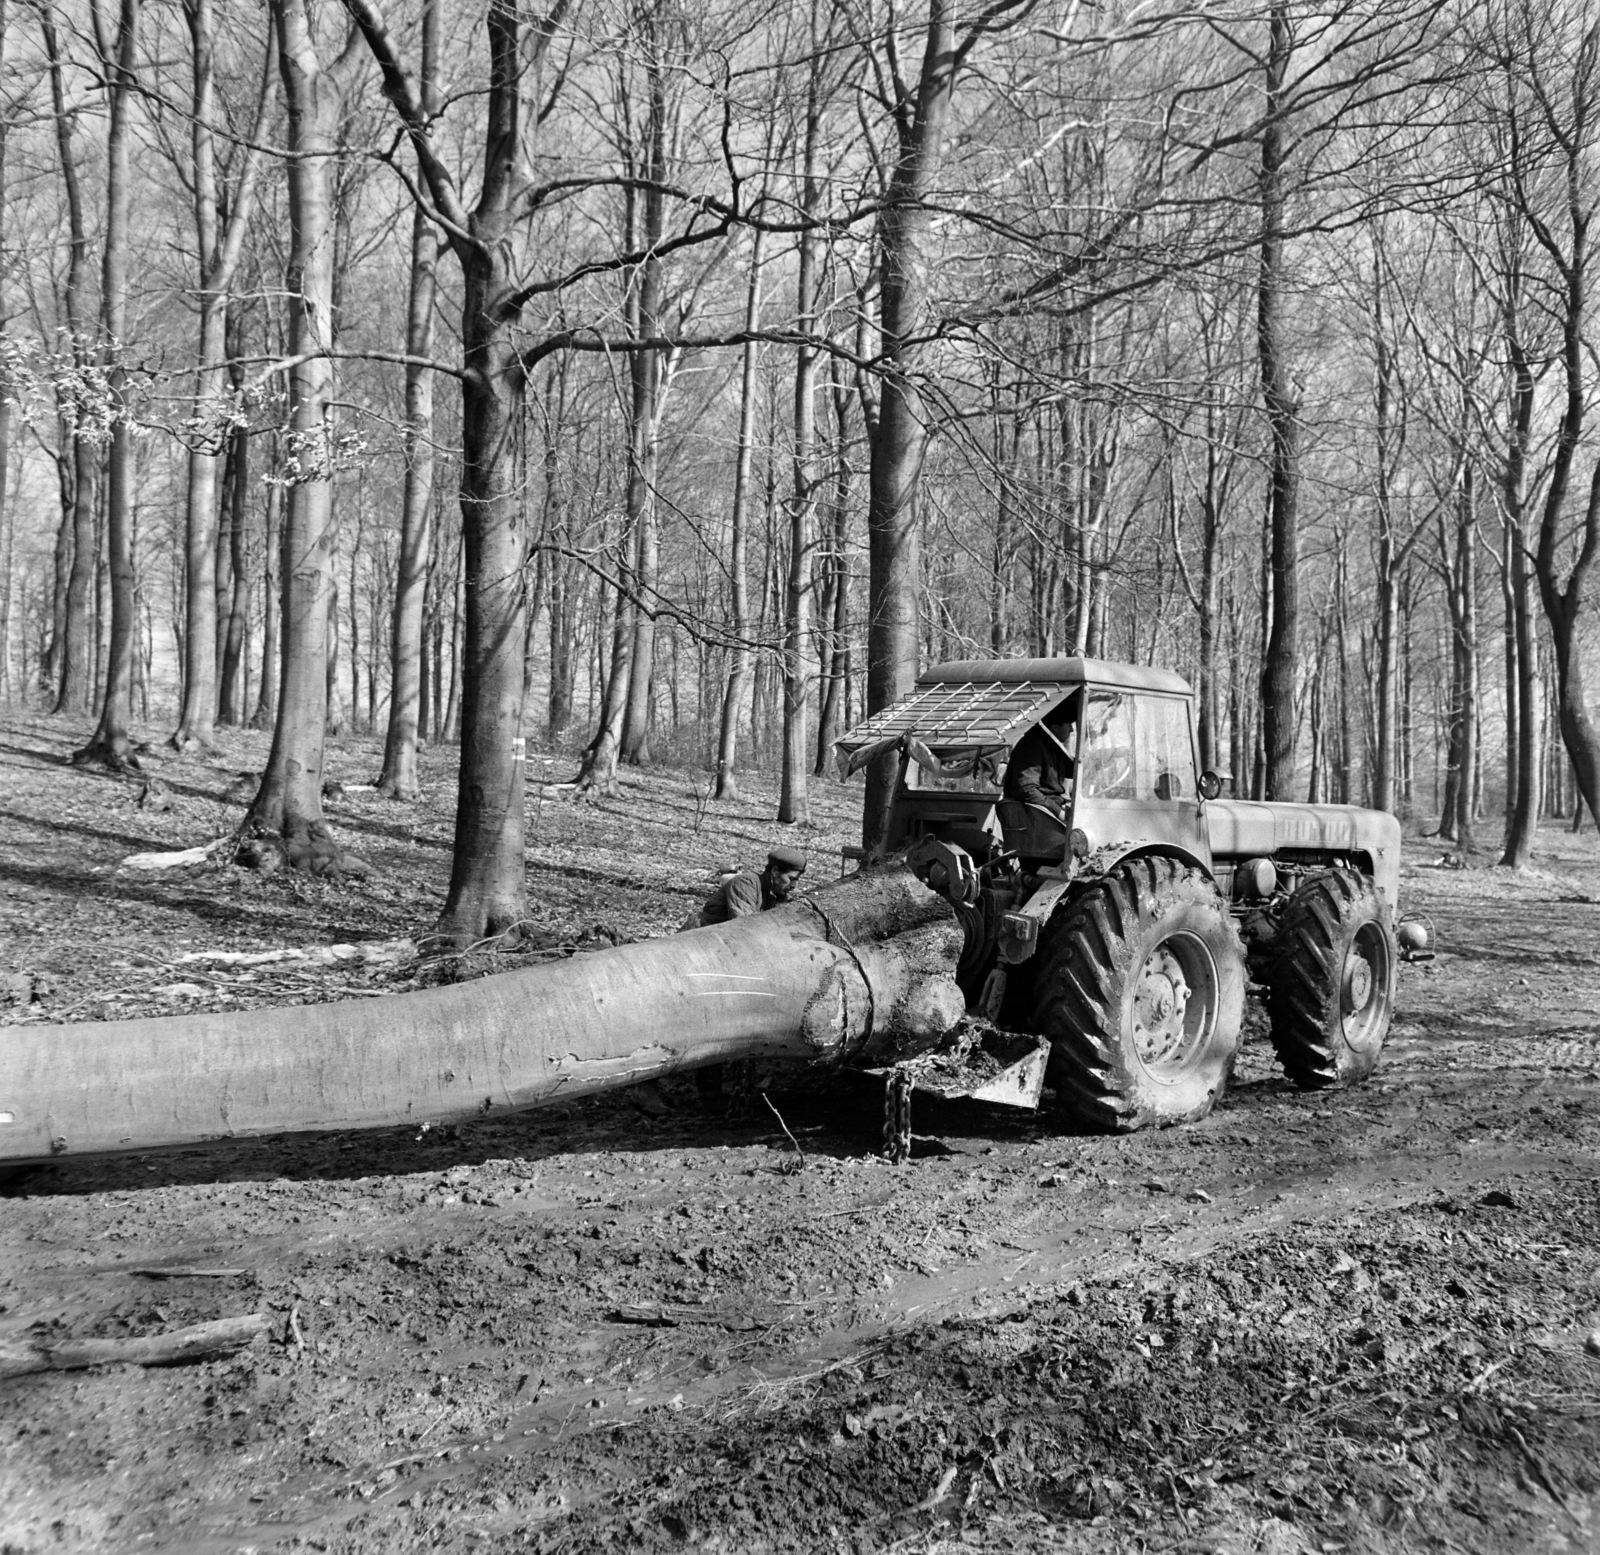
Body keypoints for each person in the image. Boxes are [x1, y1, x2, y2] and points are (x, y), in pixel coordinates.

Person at [696, 845, 807, 926]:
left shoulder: (777, 892)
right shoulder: (745, 883)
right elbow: (744, 925)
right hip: (698, 940)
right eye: (791, 879)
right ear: (775, 871)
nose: (794, 885)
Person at [1003, 699, 1078, 817]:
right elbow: (1026, 789)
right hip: (1035, 816)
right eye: (1069, 725)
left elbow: (1073, 770)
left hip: (1046, 812)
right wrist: (1059, 812)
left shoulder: (1052, 747)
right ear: (1055, 727)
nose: (1072, 729)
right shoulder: (1032, 746)